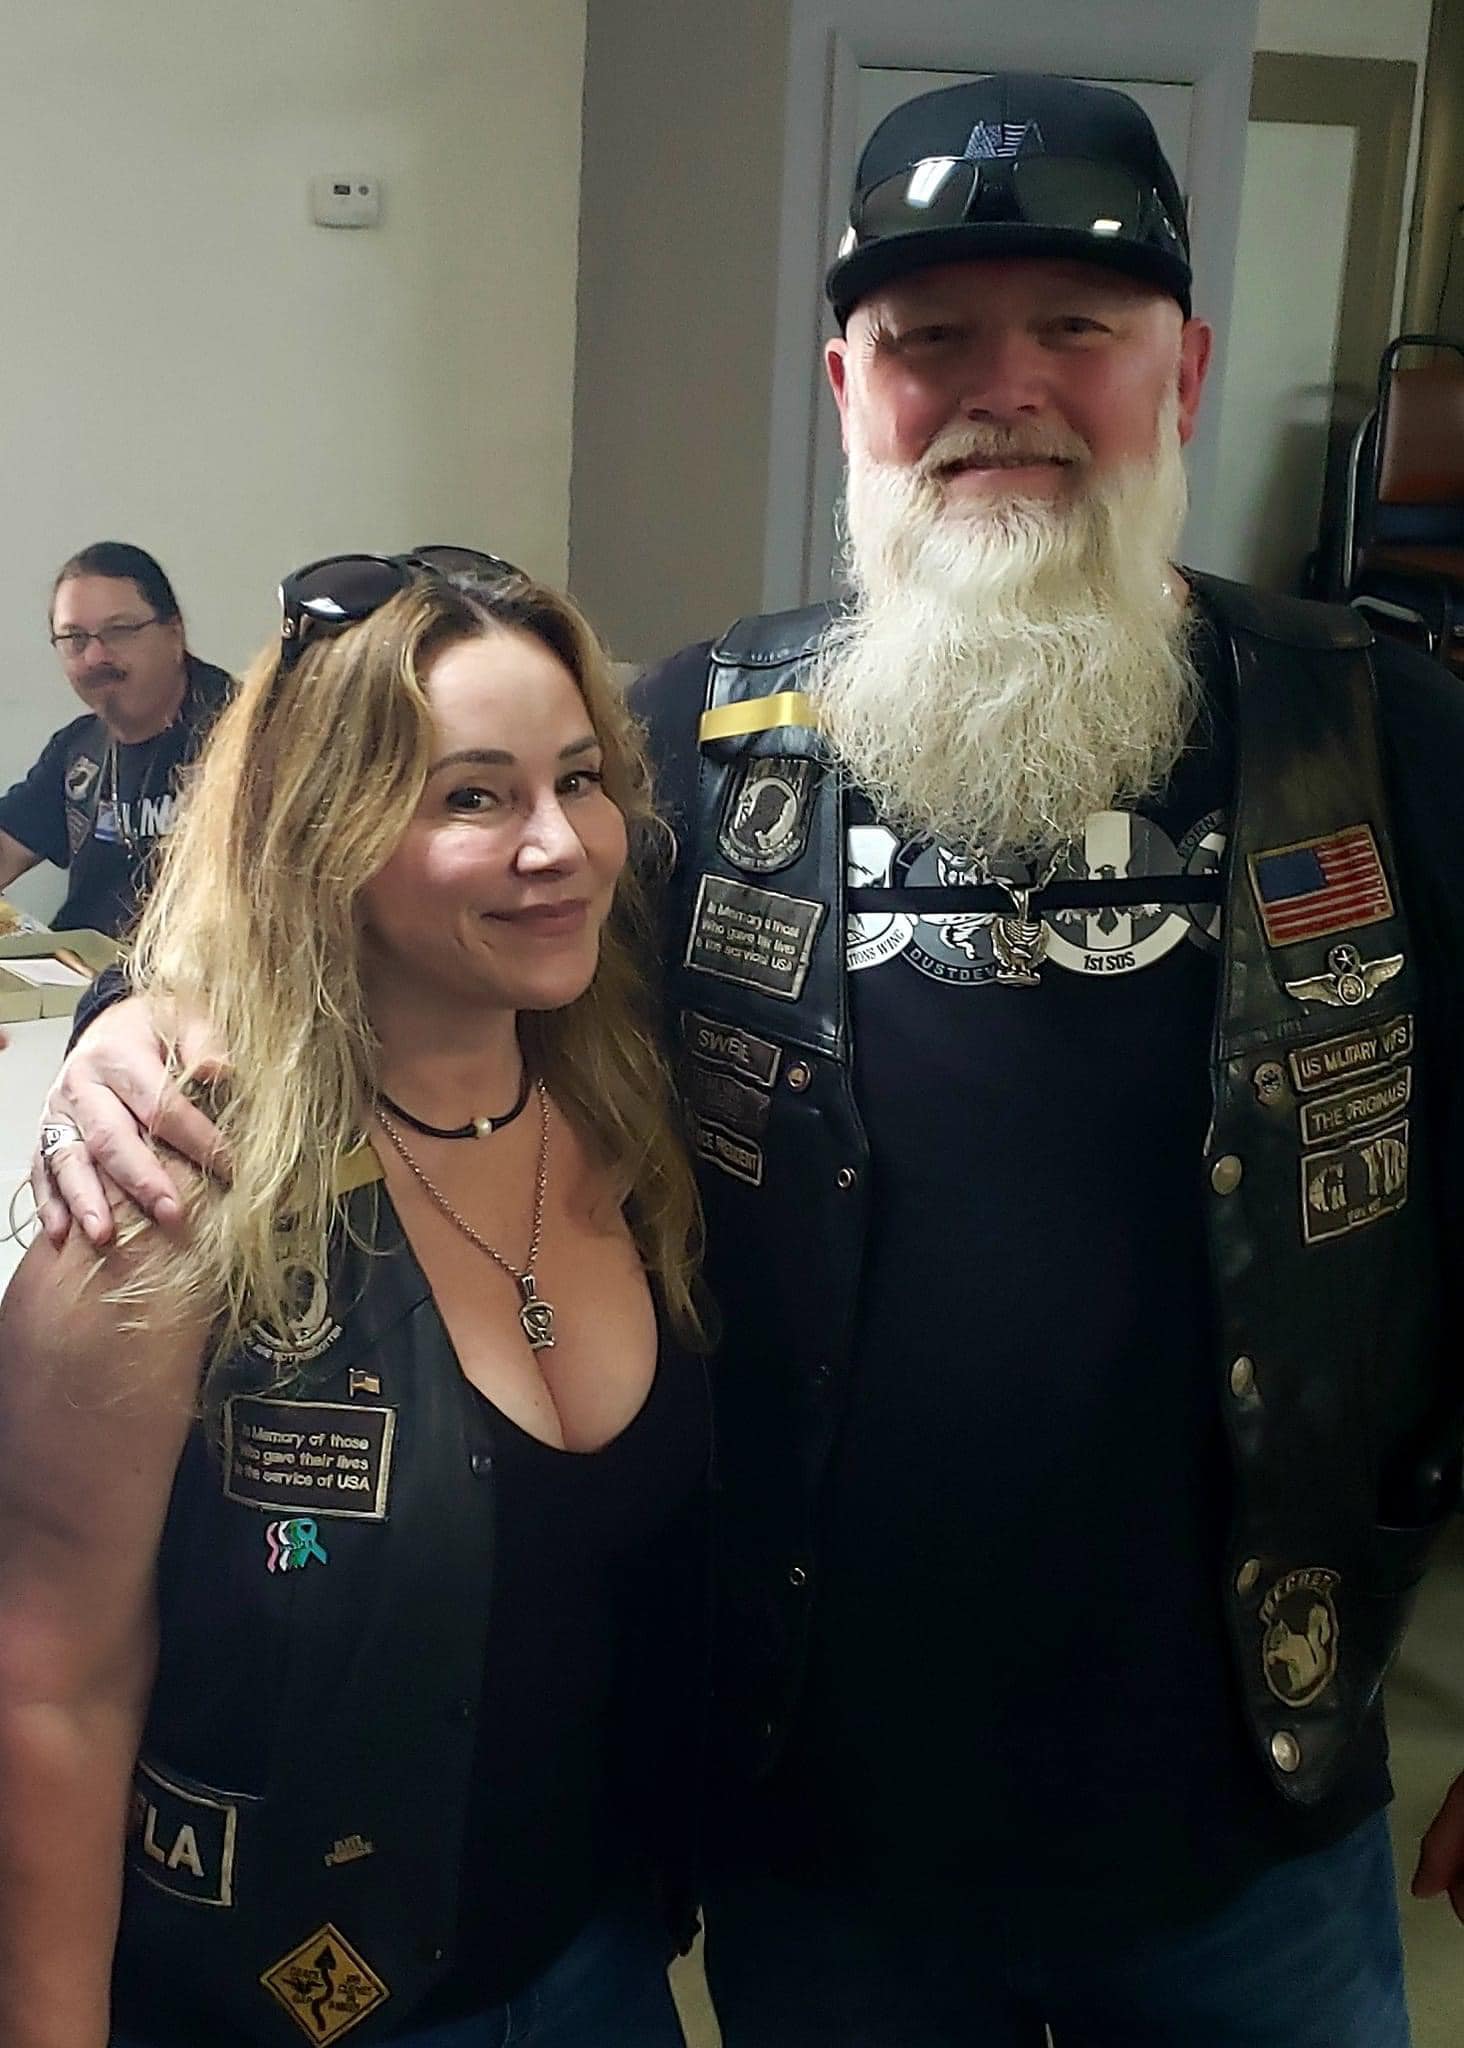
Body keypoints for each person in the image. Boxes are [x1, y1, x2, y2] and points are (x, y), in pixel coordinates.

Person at [30, 73, 1464, 2046]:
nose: (1001, 390)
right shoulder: (704, 741)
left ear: (1186, 371)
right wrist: (140, 1010)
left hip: (1252, 1833)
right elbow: (379, 901)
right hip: (825, 1841)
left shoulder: (1378, 736)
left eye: (1074, 326)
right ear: (847, 387)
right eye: (929, 338)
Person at [0, 549, 707, 2047]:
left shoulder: (642, 1125)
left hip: (604, 1967)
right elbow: (48, 1688)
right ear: (321, 829)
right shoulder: (164, 1193)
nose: (558, 844)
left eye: (579, 781)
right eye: (473, 797)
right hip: (276, 2001)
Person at [0, 541, 231, 936]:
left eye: (119, 631)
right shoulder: (77, 749)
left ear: (174, 634)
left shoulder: (248, 736)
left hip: (193, 969)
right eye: (74, 638)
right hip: (78, 966)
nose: (94, 657)